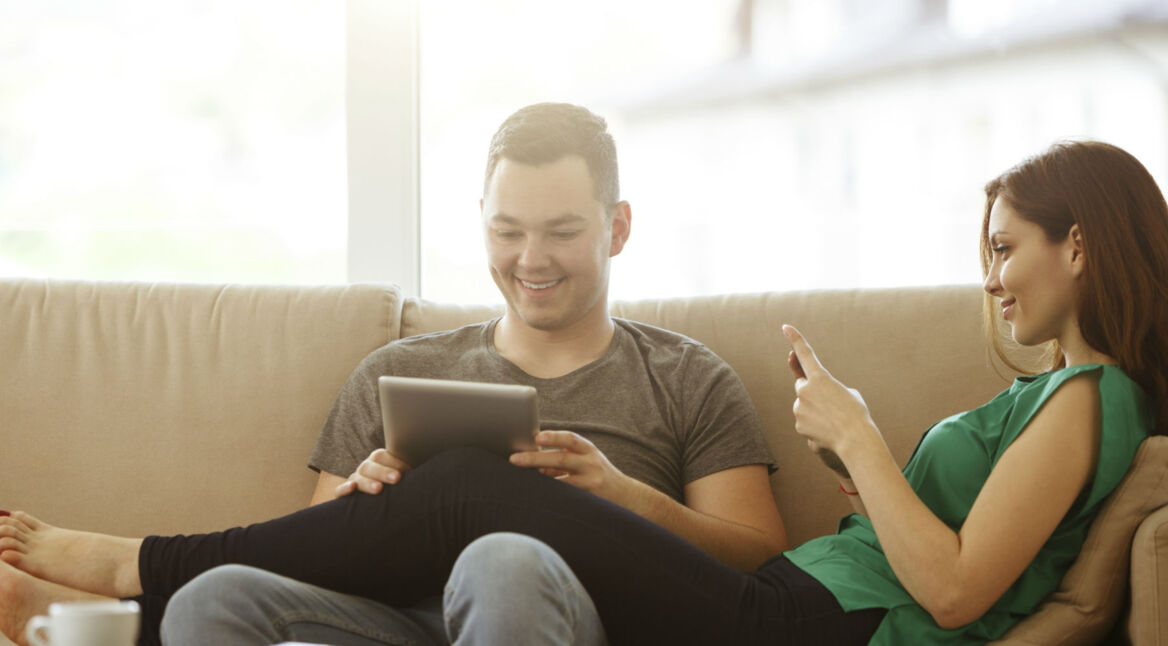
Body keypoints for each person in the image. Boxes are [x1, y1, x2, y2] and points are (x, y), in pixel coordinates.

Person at [3, 139, 1164, 644]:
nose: (991, 276)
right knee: (453, 492)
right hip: (799, 611)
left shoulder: (1085, 402)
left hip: (807, 626)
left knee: (473, 495)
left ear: (1083, 245)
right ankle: (161, 588)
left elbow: (958, 594)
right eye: (990, 251)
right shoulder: (1051, 400)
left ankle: (133, 568)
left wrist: (859, 441)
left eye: (1007, 248)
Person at [0, 103, 787, 646]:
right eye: (507, 230)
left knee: (500, 558)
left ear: (616, 228)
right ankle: (148, 600)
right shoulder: (400, 370)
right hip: (394, 625)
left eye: (562, 232)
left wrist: (621, 492)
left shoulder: (685, 376)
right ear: (480, 218)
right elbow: (308, 549)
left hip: (577, 619)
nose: (531, 259)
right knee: (218, 593)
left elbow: (756, 558)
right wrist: (364, 495)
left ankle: (129, 580)